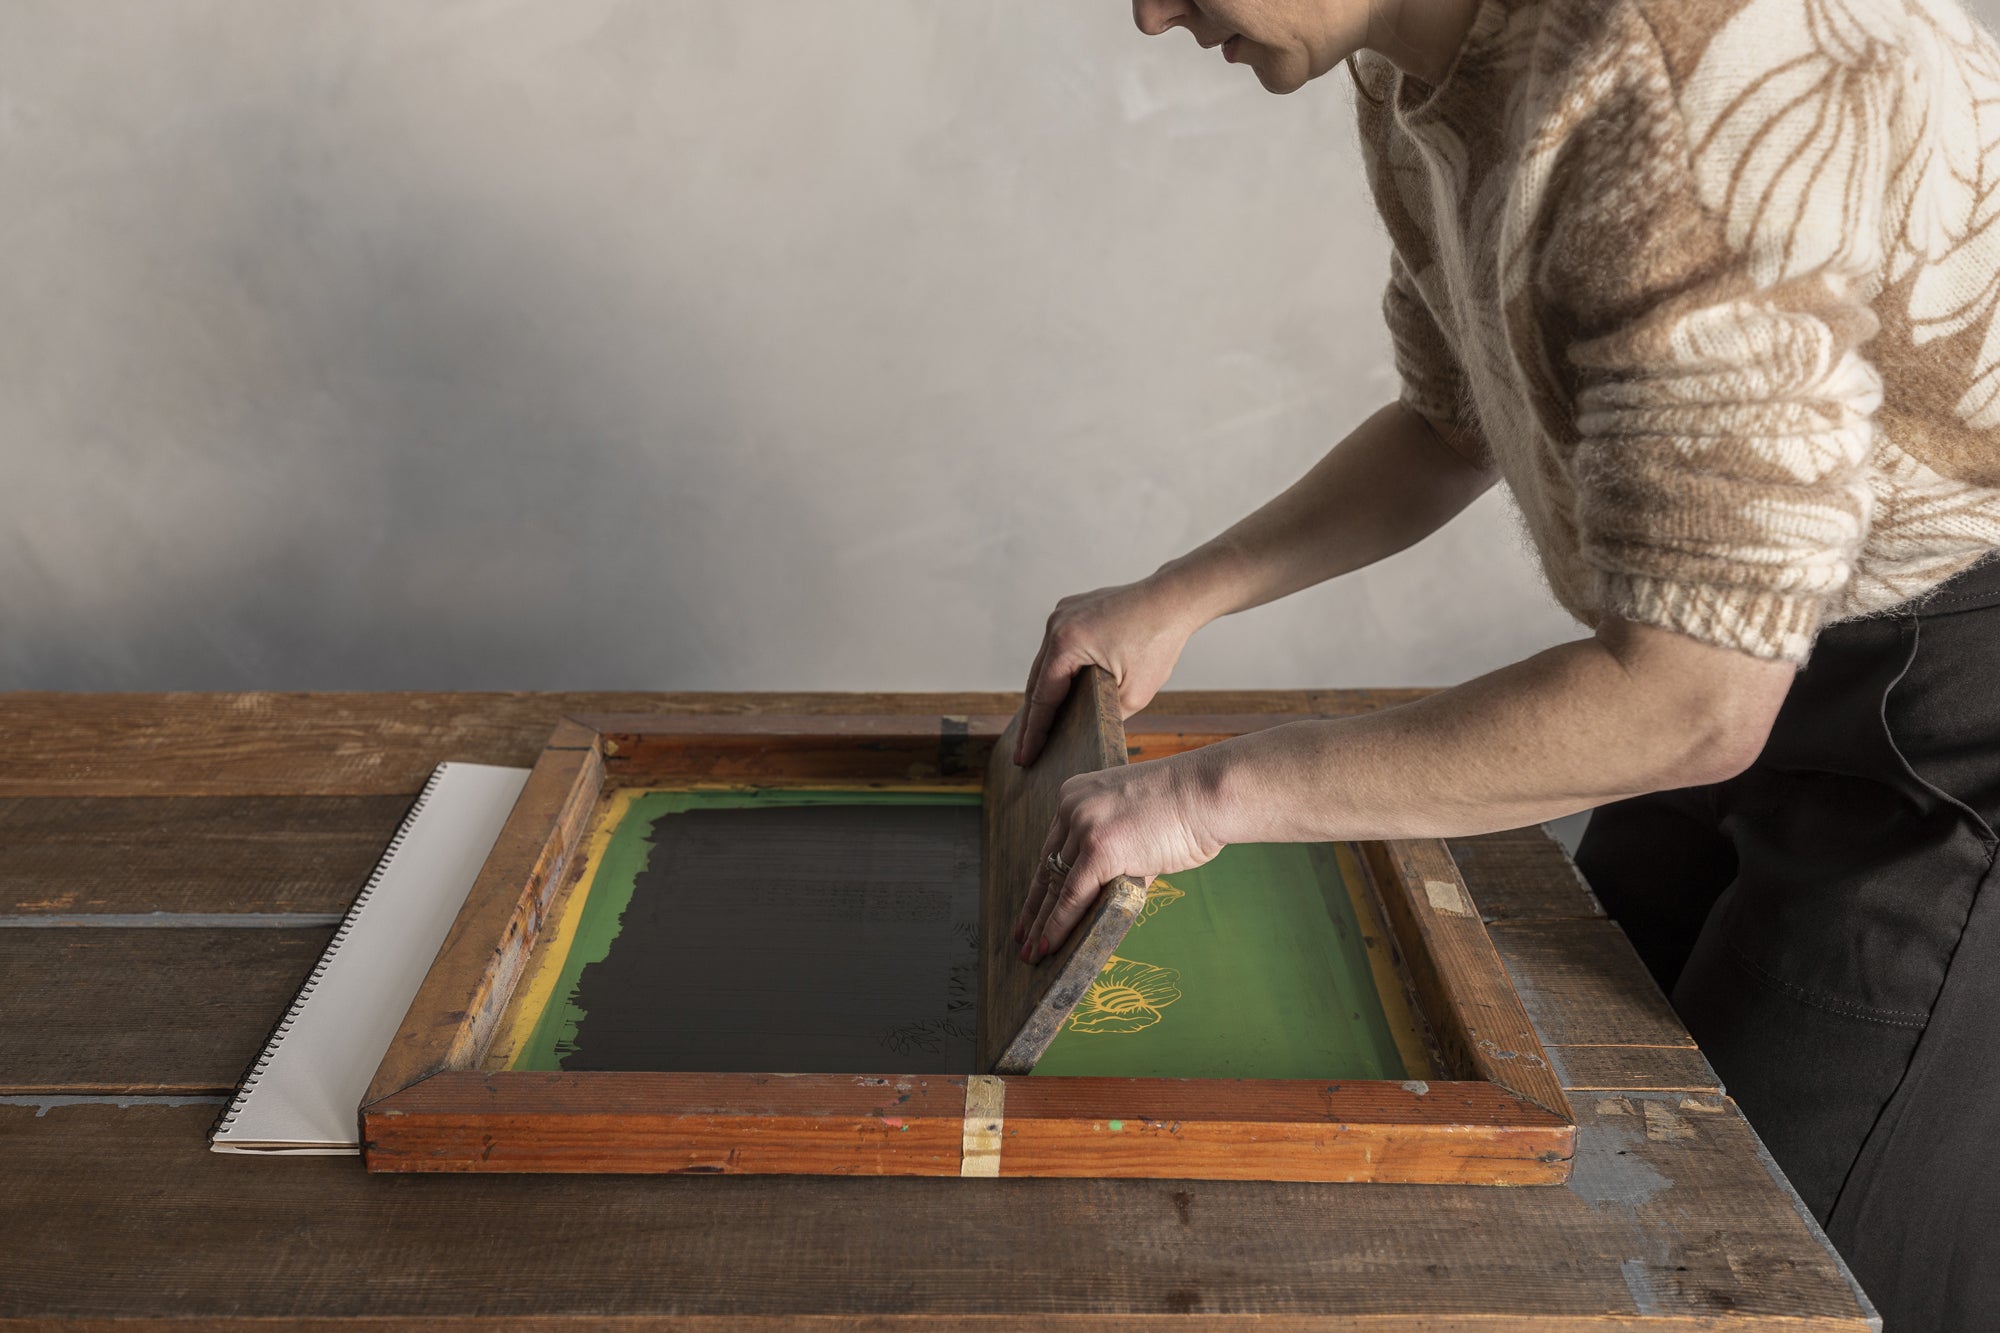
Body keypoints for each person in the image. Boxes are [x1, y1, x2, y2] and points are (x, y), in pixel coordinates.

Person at [1007, 1, 2000, 1328]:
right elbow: (1451, 418)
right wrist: (1176, 599)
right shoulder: (1416, 62)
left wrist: (1204, 800)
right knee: (1610, 1174)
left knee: (1768, 1271)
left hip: (1946, 689)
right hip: (1731, 630)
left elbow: (1693, 702)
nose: (1149, 9)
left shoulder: (1676, 88)